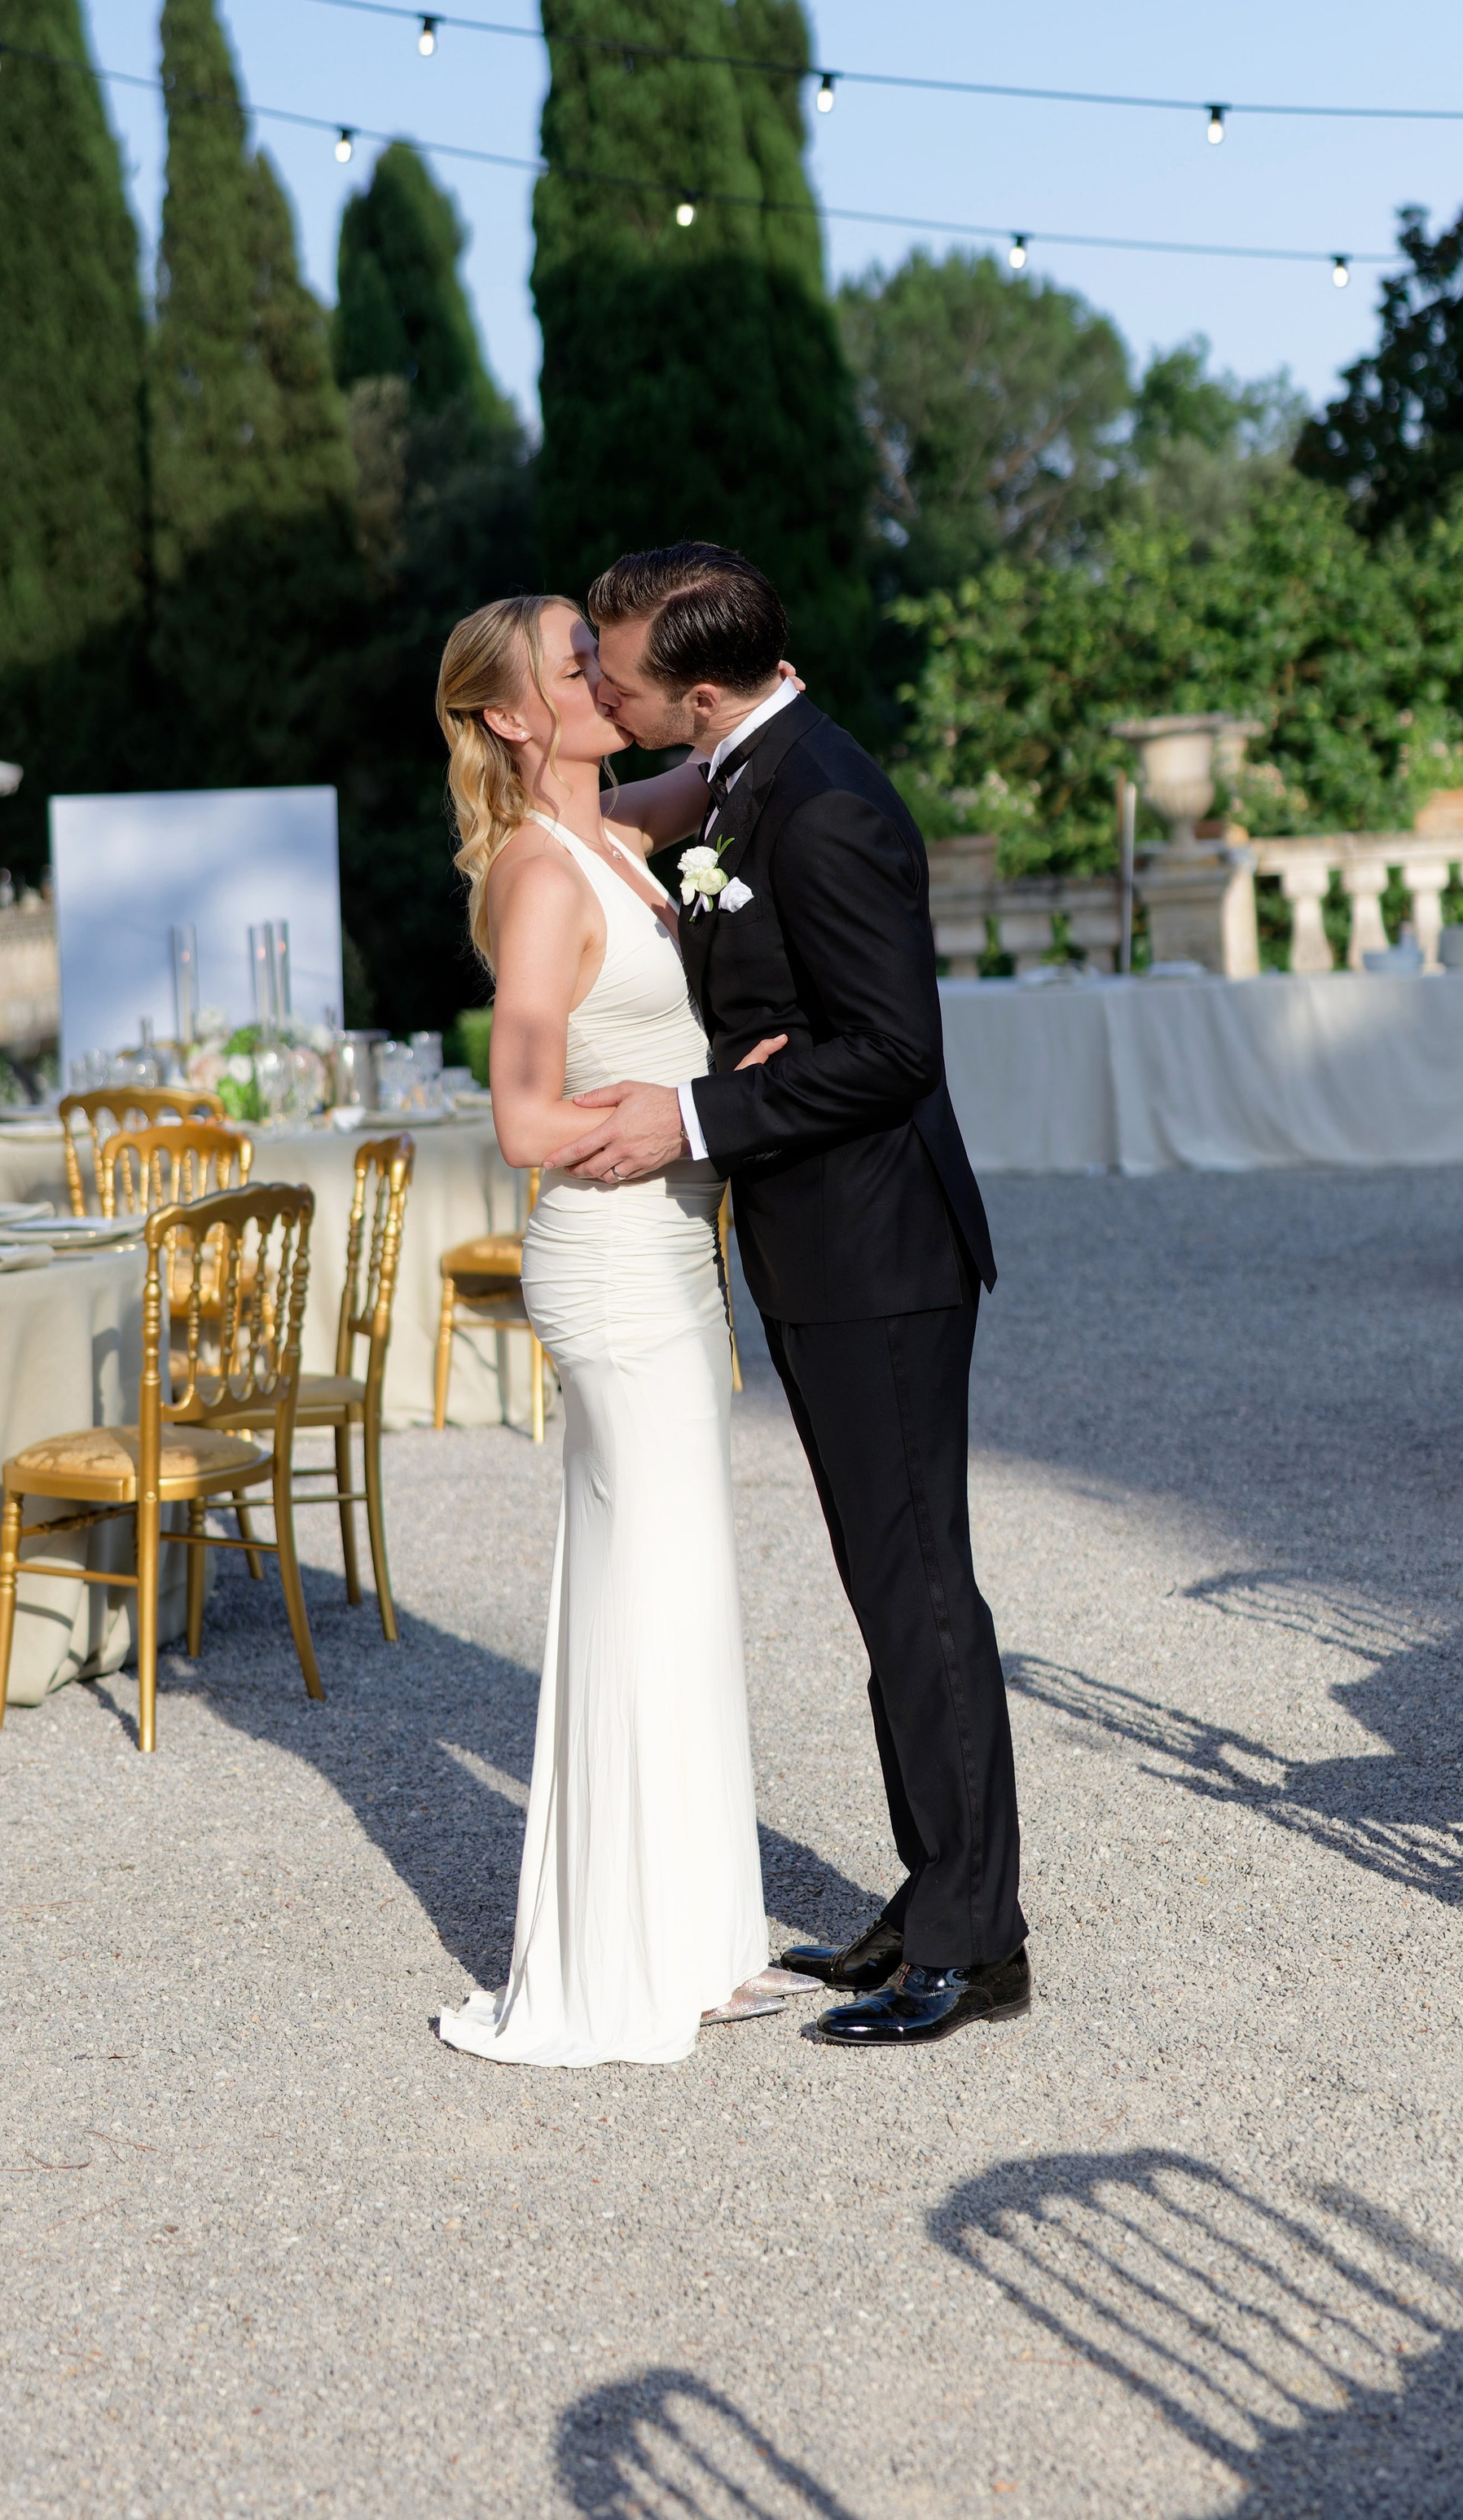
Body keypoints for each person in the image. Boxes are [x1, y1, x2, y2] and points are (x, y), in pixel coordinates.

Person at [549, 542, 1027, 2052]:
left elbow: (893, 1052)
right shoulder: (749, 766)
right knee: (888, 1590)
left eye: (617, 671)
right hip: (825, 1250)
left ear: (699, 683)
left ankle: (975, 1939)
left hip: (880, 1261)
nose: (603, 690)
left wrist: (696, 1113)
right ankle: (934, 1885)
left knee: (920, 1591)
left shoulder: (817, 803)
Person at [432, 594, 806, 2066]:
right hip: (606, 1258)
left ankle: (702, 1939)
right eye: (576, 663)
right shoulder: (540, 874)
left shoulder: (617, 835)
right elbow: (522, 1116)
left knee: (681, 1575)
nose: (607, 672)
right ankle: (622, 1960)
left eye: (602, 651)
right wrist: (673, 1118)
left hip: (672, 1252)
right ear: (514, 715)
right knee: (640, 1582)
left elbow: (718, 762)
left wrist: (758, 690)